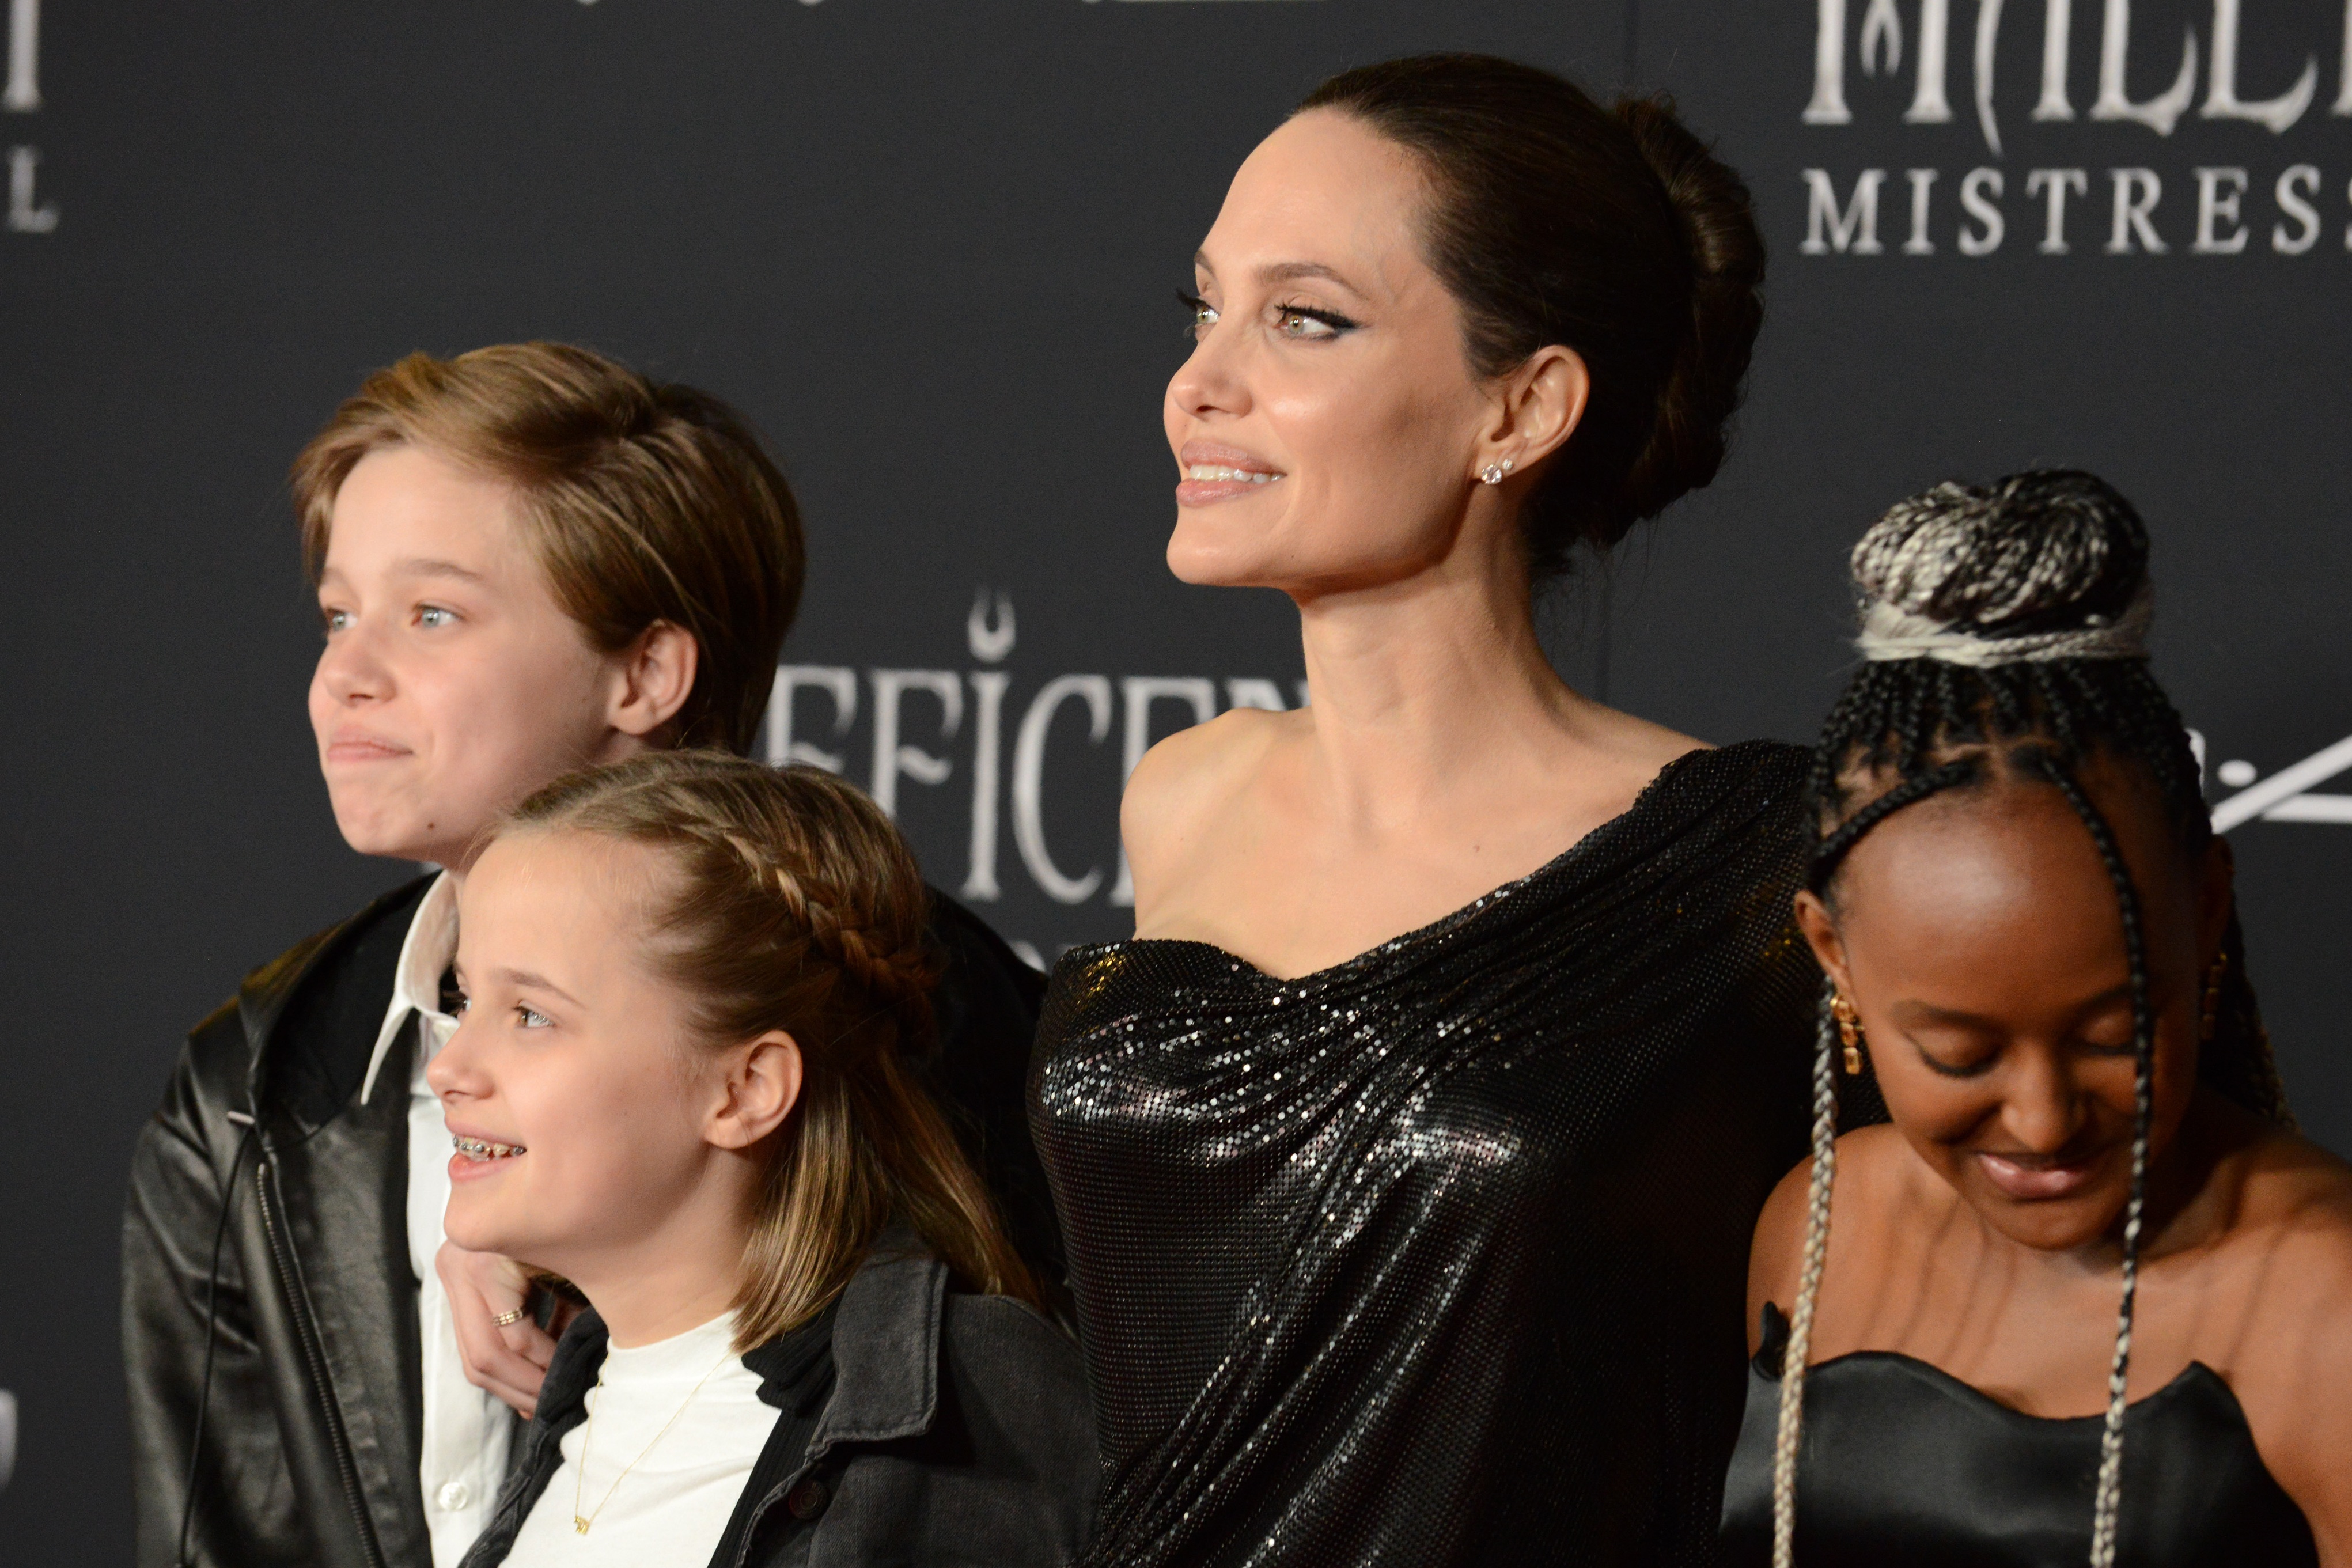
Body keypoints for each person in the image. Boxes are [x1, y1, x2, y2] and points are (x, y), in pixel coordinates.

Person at [1028, 54, 1821, 1567]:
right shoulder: (1183, 794)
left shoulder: (1748, 858)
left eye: (1304, 320)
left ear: (1519, 408)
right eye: (1204, 307)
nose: (1200, 383)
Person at [123, 342, 1057, 1568]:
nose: (344, 675)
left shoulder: (927, 1014)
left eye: (432, 614)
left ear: (646, 671)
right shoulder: (250, 1089)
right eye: (338, 615)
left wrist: (611, 1227)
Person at [1719, 471, 2352, 1567]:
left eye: (2113, 1036)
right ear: (1834, 956)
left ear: (2207, 912)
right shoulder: (1819, 1226)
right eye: (1959, 1054)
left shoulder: (2326, 1298)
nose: (2044, 1119)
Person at [434, 752, 1097, 1568]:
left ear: (746, 1089)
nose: (447, 1067)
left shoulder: (973, 1407)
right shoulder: (578, 1391)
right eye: (465, 1001)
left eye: (532, 1015)